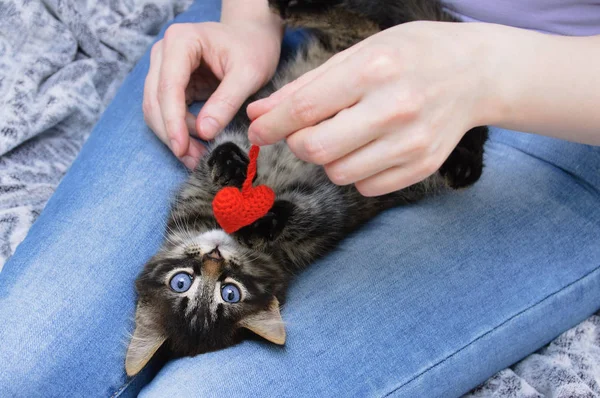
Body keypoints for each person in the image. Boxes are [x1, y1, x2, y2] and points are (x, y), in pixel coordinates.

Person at [1, 0, 599, 397]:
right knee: (18, 365)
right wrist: (246, 14)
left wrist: (488, 74)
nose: (210, 266)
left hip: (561, 101)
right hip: (319, 15)